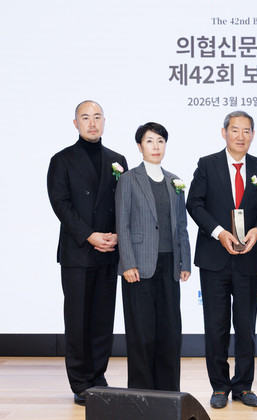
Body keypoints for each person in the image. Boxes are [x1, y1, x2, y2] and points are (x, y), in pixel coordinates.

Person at [187, 111, 257, 408]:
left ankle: (244, 386)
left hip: (249, 259)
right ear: (223, 132)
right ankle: (219, 387)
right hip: (215, 258)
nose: (240, 136)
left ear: (253, 135)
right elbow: (194, 204)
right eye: (235, 130)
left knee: (246, 326)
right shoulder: (207, 164)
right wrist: (219, 232)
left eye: (246, 131)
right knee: (216, 327)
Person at [47, 100, 127, 405]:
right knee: (78, 320)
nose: (92, 123)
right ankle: (80, 381)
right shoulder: (62, 160)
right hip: (78, 252)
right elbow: (61, 205)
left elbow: (124, 202)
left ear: (104, 121)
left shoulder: (117, 160)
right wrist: (89, 235)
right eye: (85, 118)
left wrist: (117, 233)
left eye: (97, 117)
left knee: (103, 320)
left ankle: (98, 376)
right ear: (76, 123)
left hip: (108, 250)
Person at [115, 122, 191, 391]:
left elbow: (181, 225)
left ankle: (168, 393)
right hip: (139, 266)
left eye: (160, 141)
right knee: (141, 333)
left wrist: (184, 261)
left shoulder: (174, 181)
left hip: (169, 264)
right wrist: (127, 263)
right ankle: (141, 394)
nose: (156, 146)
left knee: (170, 332)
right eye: (149, 141)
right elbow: (122, 223)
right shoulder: (128, 179)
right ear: (140, 146)